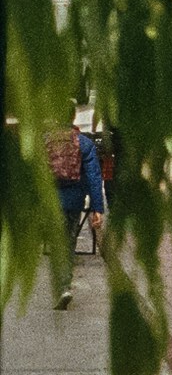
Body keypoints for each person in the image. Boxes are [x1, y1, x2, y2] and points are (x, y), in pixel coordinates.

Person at [47, 107, 105, 310]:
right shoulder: (84, 143)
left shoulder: (46, 140)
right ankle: (64, 285)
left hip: (51, 198)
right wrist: (98, 208)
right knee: (69, 239)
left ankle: (60, 285)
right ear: (73, 117)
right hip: (74, 200)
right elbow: (94, 177)